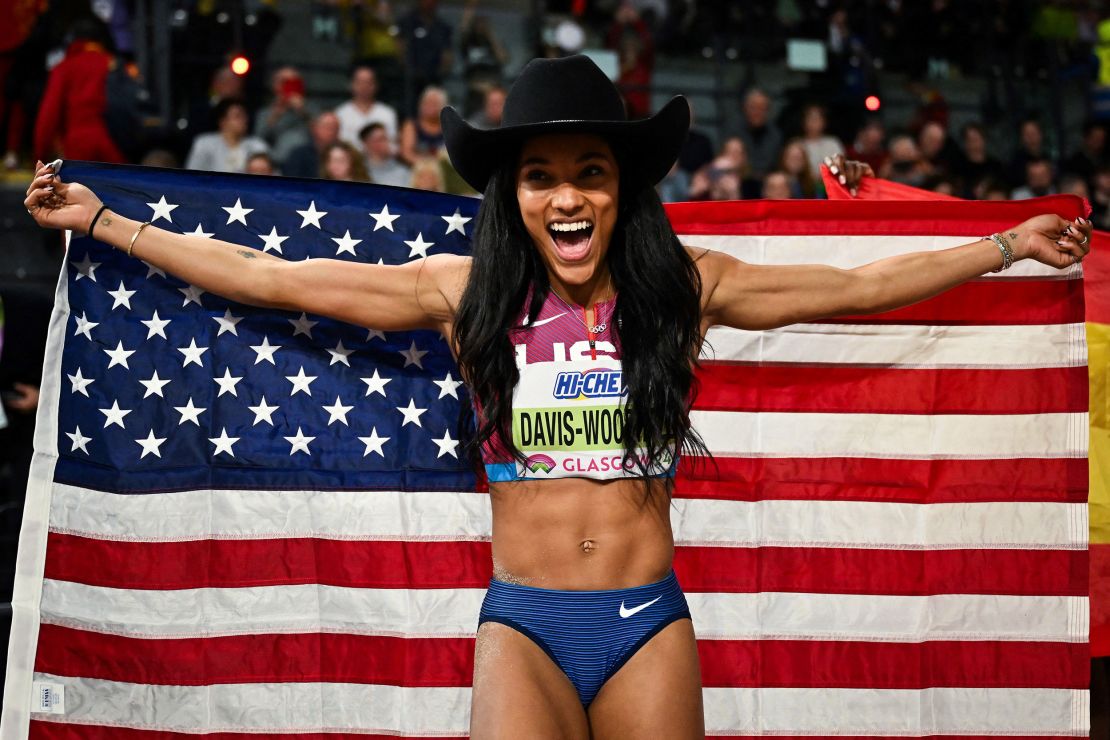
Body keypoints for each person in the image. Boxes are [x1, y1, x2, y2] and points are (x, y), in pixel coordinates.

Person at [24, 53, 1092, 738]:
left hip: (648, 626)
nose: (568, 194)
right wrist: (106, 223)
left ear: (621, 187)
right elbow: (274, 276)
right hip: (523, 625)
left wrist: (1004, 243)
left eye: (591, 170)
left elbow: (857, 287)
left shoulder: (687, 286)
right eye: (541, 175)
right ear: (514, 193)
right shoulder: (466, 291)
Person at [32, 17, 127, 164]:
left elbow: (47, 117)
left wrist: (40, 156)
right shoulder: (114, 64)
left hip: (76, 147)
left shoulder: (64, 68)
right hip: (115, 145)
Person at [254, 66, 318, 169]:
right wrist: (275, 114)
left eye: (294, 82)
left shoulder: (311, 108)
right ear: (274, 85)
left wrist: (303, 111)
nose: (289, 86)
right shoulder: (264, 112)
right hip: (275, 164)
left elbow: (323, 135)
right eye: (284, 82)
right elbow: (258, 140)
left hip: (306, 165)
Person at [183, 98, 269, 174]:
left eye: (245, 116)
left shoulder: (258, 145)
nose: (244, 119)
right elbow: (191, 174)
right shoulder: (204, 143)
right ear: (222, 122)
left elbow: (275, 175)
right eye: (238, 116)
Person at [335, 63, 399, 150]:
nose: (364, 86)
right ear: (351, 85)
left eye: (368, 82)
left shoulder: (387, 113)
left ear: (376, 85)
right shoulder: (340, 114)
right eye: (359, 82)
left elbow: (393, 145)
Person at [283, 110, 340, 179]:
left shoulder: (346, 153)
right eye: (327, 126)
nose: (332, 131)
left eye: (336, 127)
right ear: (314, 128)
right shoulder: (299, 155)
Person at [398, 85, 447, 165]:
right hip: (417, 170)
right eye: (427, 102)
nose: (429, 106)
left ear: (443, 107)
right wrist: (427, 166)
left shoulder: (447, 129)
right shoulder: (411, 125)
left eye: (434, 104)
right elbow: (406, 153)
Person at [359, 121, 412, 187]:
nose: (386, 143)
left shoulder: (402, 170)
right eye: (381, 139)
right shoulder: (358, 171)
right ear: (367, 143)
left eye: (386, 138)